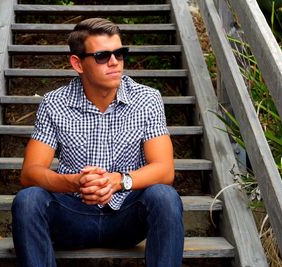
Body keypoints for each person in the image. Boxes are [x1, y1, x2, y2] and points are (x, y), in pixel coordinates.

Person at [12, 18, 184, 267]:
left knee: (165, 197)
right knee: (27, 200)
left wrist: (118, 181)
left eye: (120, 53)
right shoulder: (54, 104)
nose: (114, 62)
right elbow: (30, 173)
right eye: (103, 56)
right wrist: (73, 182)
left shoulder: (147, 99)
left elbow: (165, 170)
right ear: (77, 63)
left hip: (127, 217)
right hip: (72, 215)